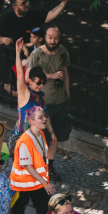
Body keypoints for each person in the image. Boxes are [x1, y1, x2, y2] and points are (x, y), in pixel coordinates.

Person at [26, 24, 70, 181]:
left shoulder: (63, 52)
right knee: (38, 136)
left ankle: (49, 166)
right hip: (41, 105)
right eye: (50, 37)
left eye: (56, 37)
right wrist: (50, 76)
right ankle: (36, 168)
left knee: (54, 136)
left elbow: (65, 74)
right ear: (45, 37)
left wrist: (67, 97)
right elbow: (27, 77)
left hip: (59, 102)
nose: (53, 40)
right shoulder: (37, 54)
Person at [9, 106, 56, 214]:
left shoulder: (41, 134)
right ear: (31, 121)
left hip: (35, 183)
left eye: (44, 116)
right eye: (40, 117)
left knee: (45, 212)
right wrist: (46, 183)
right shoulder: (25, 140)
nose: (45, 119)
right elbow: (28, 167)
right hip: (24, 184)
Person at [7, 38, 47, 152]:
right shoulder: (25, 93)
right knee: (12, 164)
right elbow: (20, 73)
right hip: (19, 137)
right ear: (30, 81)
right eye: (38, 83)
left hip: (34, 138)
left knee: (29, 166)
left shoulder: (42, 96)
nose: (40, 85)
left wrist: (52, 133)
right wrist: (17, 51)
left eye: (43, 83)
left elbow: (46, 117)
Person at [0, 0, 68, 45]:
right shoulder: (7, 18)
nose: (27, 4)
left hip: (33, 56)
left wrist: (63, 3)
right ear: (15, 8)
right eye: (23, 4)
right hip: (14, 58)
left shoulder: (34, 14)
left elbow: (51, 13)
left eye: (26, 2)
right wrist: (3, 39)